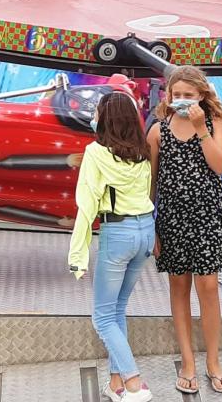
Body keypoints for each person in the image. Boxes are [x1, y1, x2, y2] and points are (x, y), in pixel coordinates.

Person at [149, 67, 222, 396]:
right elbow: (151, 185)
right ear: (169, 96)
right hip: (173, 219)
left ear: (202, 95)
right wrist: (150, 226)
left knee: (208, 286)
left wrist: (201, 129)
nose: (182, 100)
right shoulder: (158, 131)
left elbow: (220, 165)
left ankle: (213, 361)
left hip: (207, 216)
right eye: (177, 94)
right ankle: (187, 362)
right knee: (179, 286)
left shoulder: (214, 123)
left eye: (189, 95)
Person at [70, 91, 157, 402]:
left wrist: (77, 255)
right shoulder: (143, 151)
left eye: (97, 112)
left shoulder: (95, 152)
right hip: (145, 231)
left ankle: (134, 383)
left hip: (118, 233)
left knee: (102, 317)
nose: (94, 117)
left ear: (106, 118)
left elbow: (86, 205)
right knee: (117, 309)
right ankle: (116, 383)